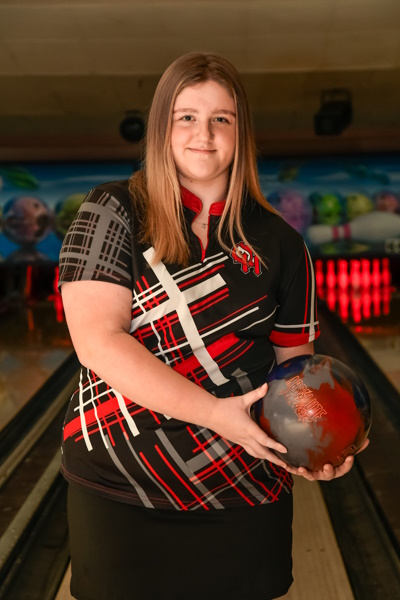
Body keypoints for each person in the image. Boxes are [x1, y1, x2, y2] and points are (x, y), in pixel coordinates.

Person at [58, 52, 367, 600]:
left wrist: (321, 440)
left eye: (221, 118)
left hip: (244, 483)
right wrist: (215, 415)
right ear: (162, 127)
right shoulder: (112, 209)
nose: (204, 133)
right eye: (186, 116)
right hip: (123, 481)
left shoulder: (280, 242)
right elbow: (98, 342)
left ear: (240, 132)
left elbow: (295, 370)